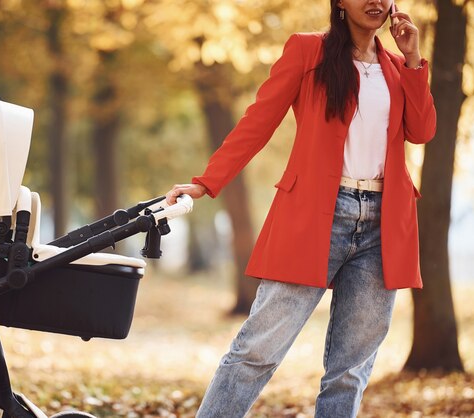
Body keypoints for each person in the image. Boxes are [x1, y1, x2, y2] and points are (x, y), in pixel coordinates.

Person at [165, 0, 436, 417]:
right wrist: (207, 182)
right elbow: (260, 119)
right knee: (258, 349)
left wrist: (414, 59)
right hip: (315, 216)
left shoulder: (398, 68)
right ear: (340, 3)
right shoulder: (308, 51)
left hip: (384, 223)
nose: (375, 1)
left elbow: (421, 131)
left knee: (351, 369)